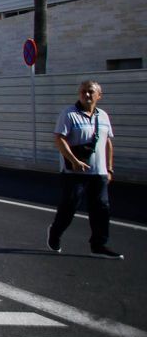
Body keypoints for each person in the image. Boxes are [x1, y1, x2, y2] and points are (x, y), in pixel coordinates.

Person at [50, 79, 121, 259]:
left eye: (90, 91)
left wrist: (110, 168)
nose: (86, 95)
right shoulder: (69, 114)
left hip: (99, 173)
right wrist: (73, 160)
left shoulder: (103, 116)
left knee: (101, 208)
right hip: (74, 172)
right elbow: (59, 139)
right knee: (69, 206)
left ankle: (99, 245)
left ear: (99, 95)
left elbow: (108, 143)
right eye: (83, 91)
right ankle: (55, 232)